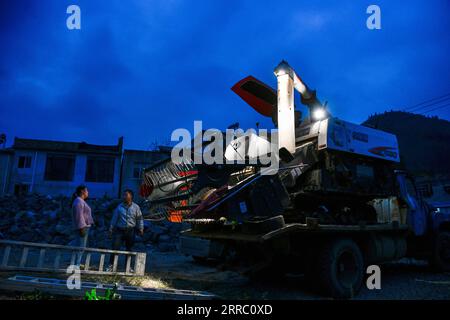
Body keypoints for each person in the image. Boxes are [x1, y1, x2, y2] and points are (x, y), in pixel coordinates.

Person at [109, 189, 144, 254]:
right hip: (120, 230)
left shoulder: (136, 207)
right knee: (115, 248)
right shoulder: (119, 207)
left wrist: (141, 228)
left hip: (131, 231)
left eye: (126, 195)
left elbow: (139, 218)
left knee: (129, 249)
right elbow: (114, 218)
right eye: (123, 195)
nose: (124, 197)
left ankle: (127, 263)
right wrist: (111, 229)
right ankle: (112, 263)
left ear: (131, 196)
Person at [71, 185, 94, 266]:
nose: (88, 193)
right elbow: (79, 216)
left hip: (85, 227)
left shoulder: (81, 201)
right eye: (86, 191)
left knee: (81, 246)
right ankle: (76, 264)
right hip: (82, 227)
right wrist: (81, 227)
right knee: (80, 246)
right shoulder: (79, 201)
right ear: (82, 192)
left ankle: (77, 263)